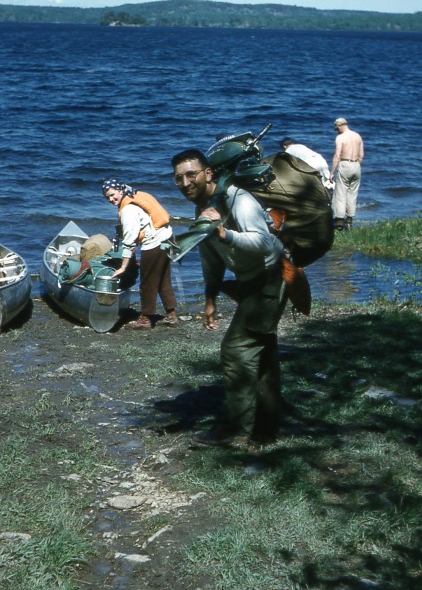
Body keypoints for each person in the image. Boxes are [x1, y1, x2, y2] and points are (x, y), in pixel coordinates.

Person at [171, 148, 286, 446]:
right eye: (178, 178)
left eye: (191, 174)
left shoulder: (238, 199)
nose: (185, 183)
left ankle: (235, 428)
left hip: (270, 278)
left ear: (208, 173)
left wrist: (226, 235)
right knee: (262, 355)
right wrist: (210, 298)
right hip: (251, 282)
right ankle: (266, 429)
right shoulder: (204, 207)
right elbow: (211, 257)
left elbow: (262, 243)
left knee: (236, 350)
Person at [102, 179, 179, 328]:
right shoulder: (135, 196)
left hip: (154, 243)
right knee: (163, 279)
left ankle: (145, 319)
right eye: (107, 198)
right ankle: (171, 316)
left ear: (120, 190)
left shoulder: (127, 210)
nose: (111, 199)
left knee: (147, 282)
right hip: (167, 238)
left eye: (112, 195)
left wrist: (123, 267)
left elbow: (129, 241)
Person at [329, 118, 364, 230]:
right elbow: (361, 155)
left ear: (339, 126)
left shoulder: (340, 137)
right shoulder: (357, 136)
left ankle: (339, 223)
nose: (337, 131)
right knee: (352, 194)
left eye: (336, 129)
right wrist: (357, 166)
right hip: (356, 165)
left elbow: (337, 155)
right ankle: (349, 222)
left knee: (340, 193)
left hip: (345, 164)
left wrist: (332, 172)